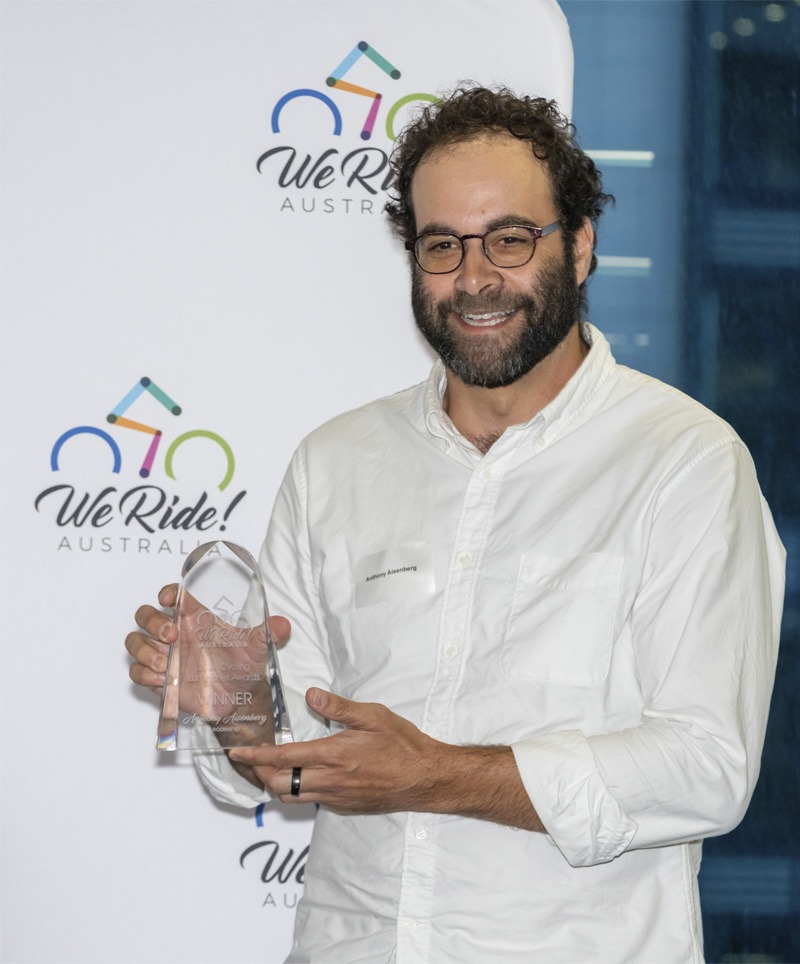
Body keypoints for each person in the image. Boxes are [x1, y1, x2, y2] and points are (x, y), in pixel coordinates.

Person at [127, 87, 785, 963]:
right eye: (443, 246)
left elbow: (706, 767)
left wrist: (439, 775)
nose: (474, 279)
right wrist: (233, 707)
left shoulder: (685, 462)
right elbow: (298, 755)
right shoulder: (337, 461)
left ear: (579, 245)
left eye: (510, 239)